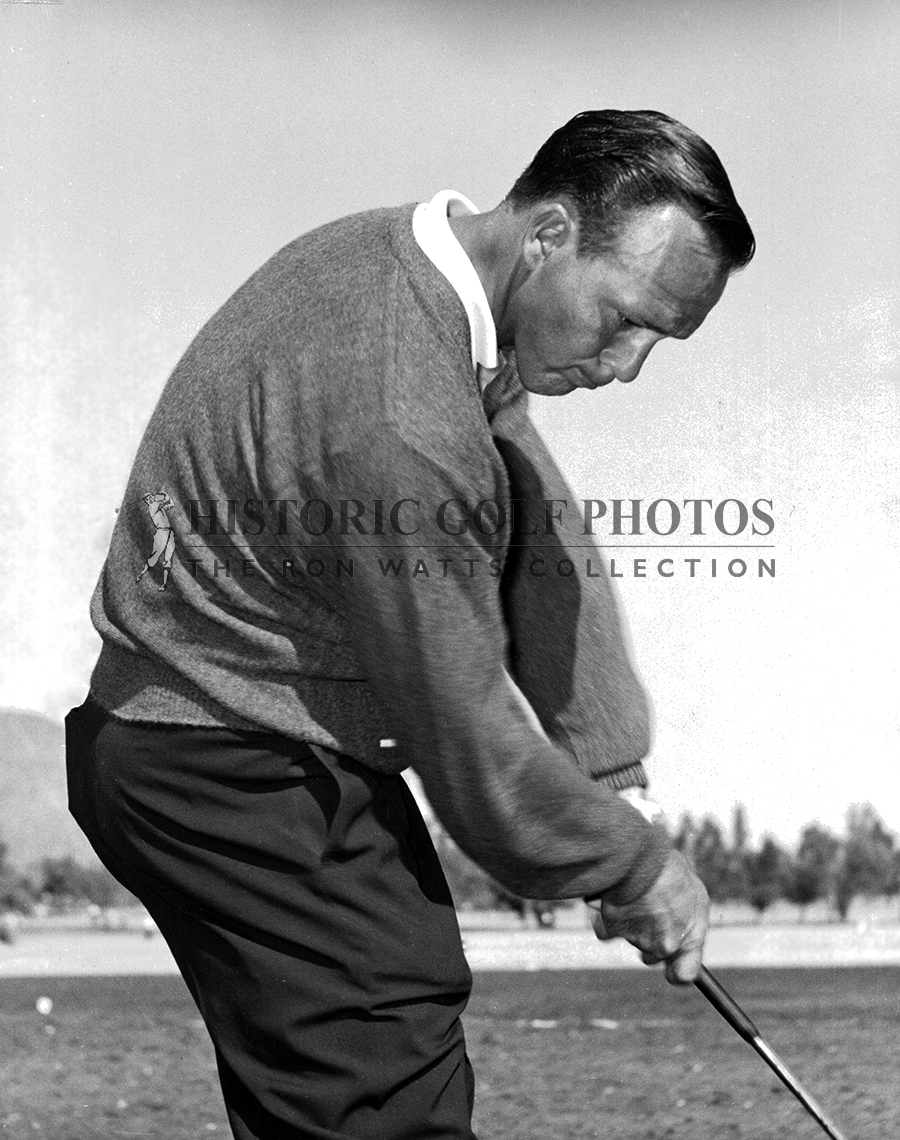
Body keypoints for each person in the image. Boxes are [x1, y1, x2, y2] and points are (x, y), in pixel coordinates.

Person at [66, 110, 754, 1139]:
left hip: (230, 745)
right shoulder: (402, 413)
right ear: (550, 234)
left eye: (663, 337)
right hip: (225, 768)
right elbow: (468, 742)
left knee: (388, 1038)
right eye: (623, 320)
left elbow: (536, 520)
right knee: (388, 1102)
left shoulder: (419, 272)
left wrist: (613, 772)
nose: (628, 365)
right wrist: (635, 866)